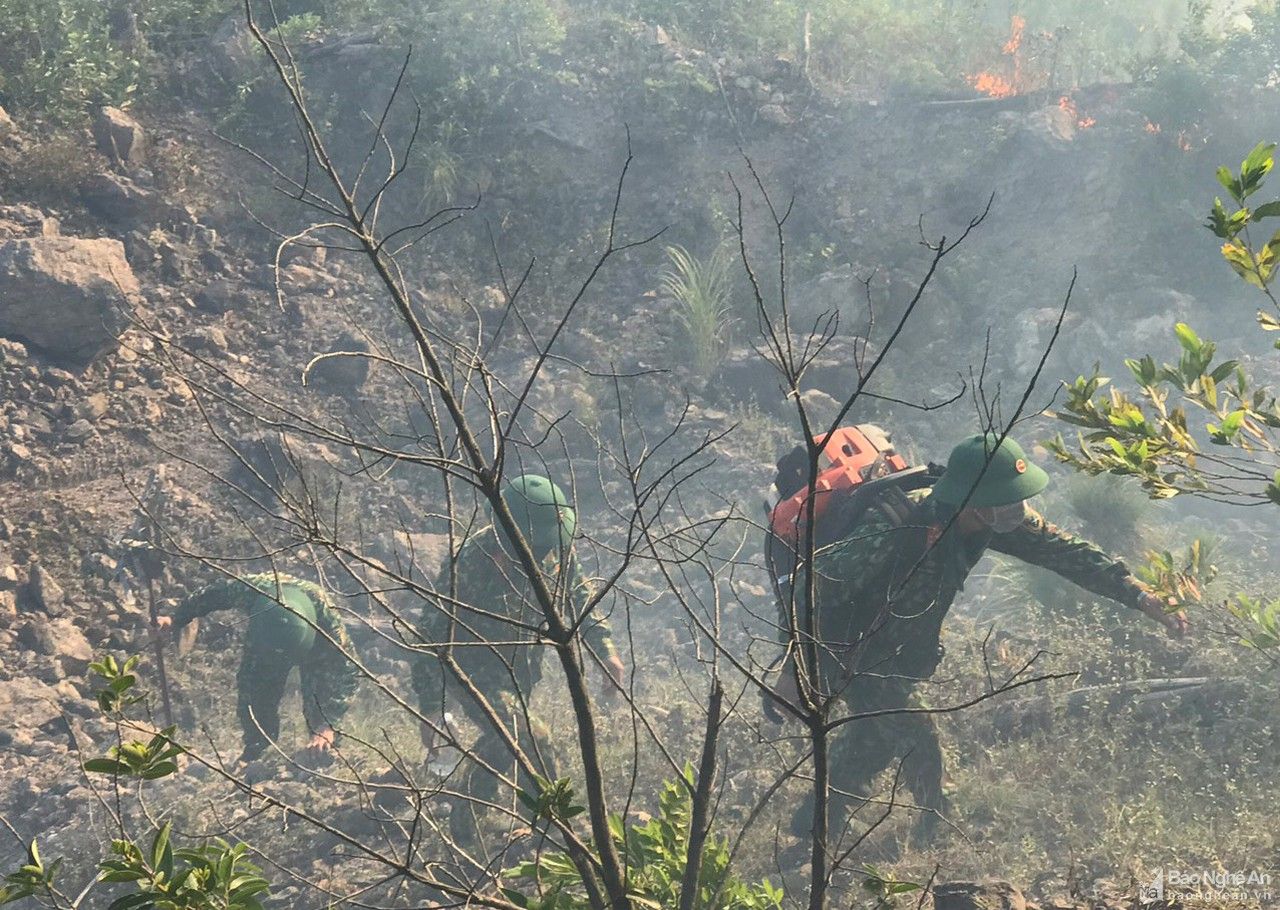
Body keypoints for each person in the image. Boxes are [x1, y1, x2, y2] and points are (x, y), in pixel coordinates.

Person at [776, 433, 1188, 846]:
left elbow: (1063, 552)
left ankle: (815, 819)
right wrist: (795, 667)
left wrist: (1138, 594)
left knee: (875, 739)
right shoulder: (894, 525)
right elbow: (806, 592)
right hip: (844, 647)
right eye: (1005, 501)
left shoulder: (986, 518)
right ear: (970, 499)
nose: (1016, 511)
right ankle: (935, 832)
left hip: (896, 653)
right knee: (916, 732)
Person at [411, 474, 625, 848]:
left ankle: (470, 827)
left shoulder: (556, 544)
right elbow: (429, 632)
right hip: (473, 670)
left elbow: (578, 595)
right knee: (530, 735)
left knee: (505, 740)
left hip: (522, 669)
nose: (545, 553)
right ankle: (550, 830)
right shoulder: (471, 561)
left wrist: (605, 650)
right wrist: (431, 707)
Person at [155, 572, 359, 766]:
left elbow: (348, 673)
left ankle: (321, 755)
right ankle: (257, 750)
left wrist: (327, 725)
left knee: (319, 703)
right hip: (264, 643)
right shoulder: (252, 589)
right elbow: (213, 594)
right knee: (254, 693)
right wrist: (176, 619)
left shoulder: (329, 623)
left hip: (316, 650)